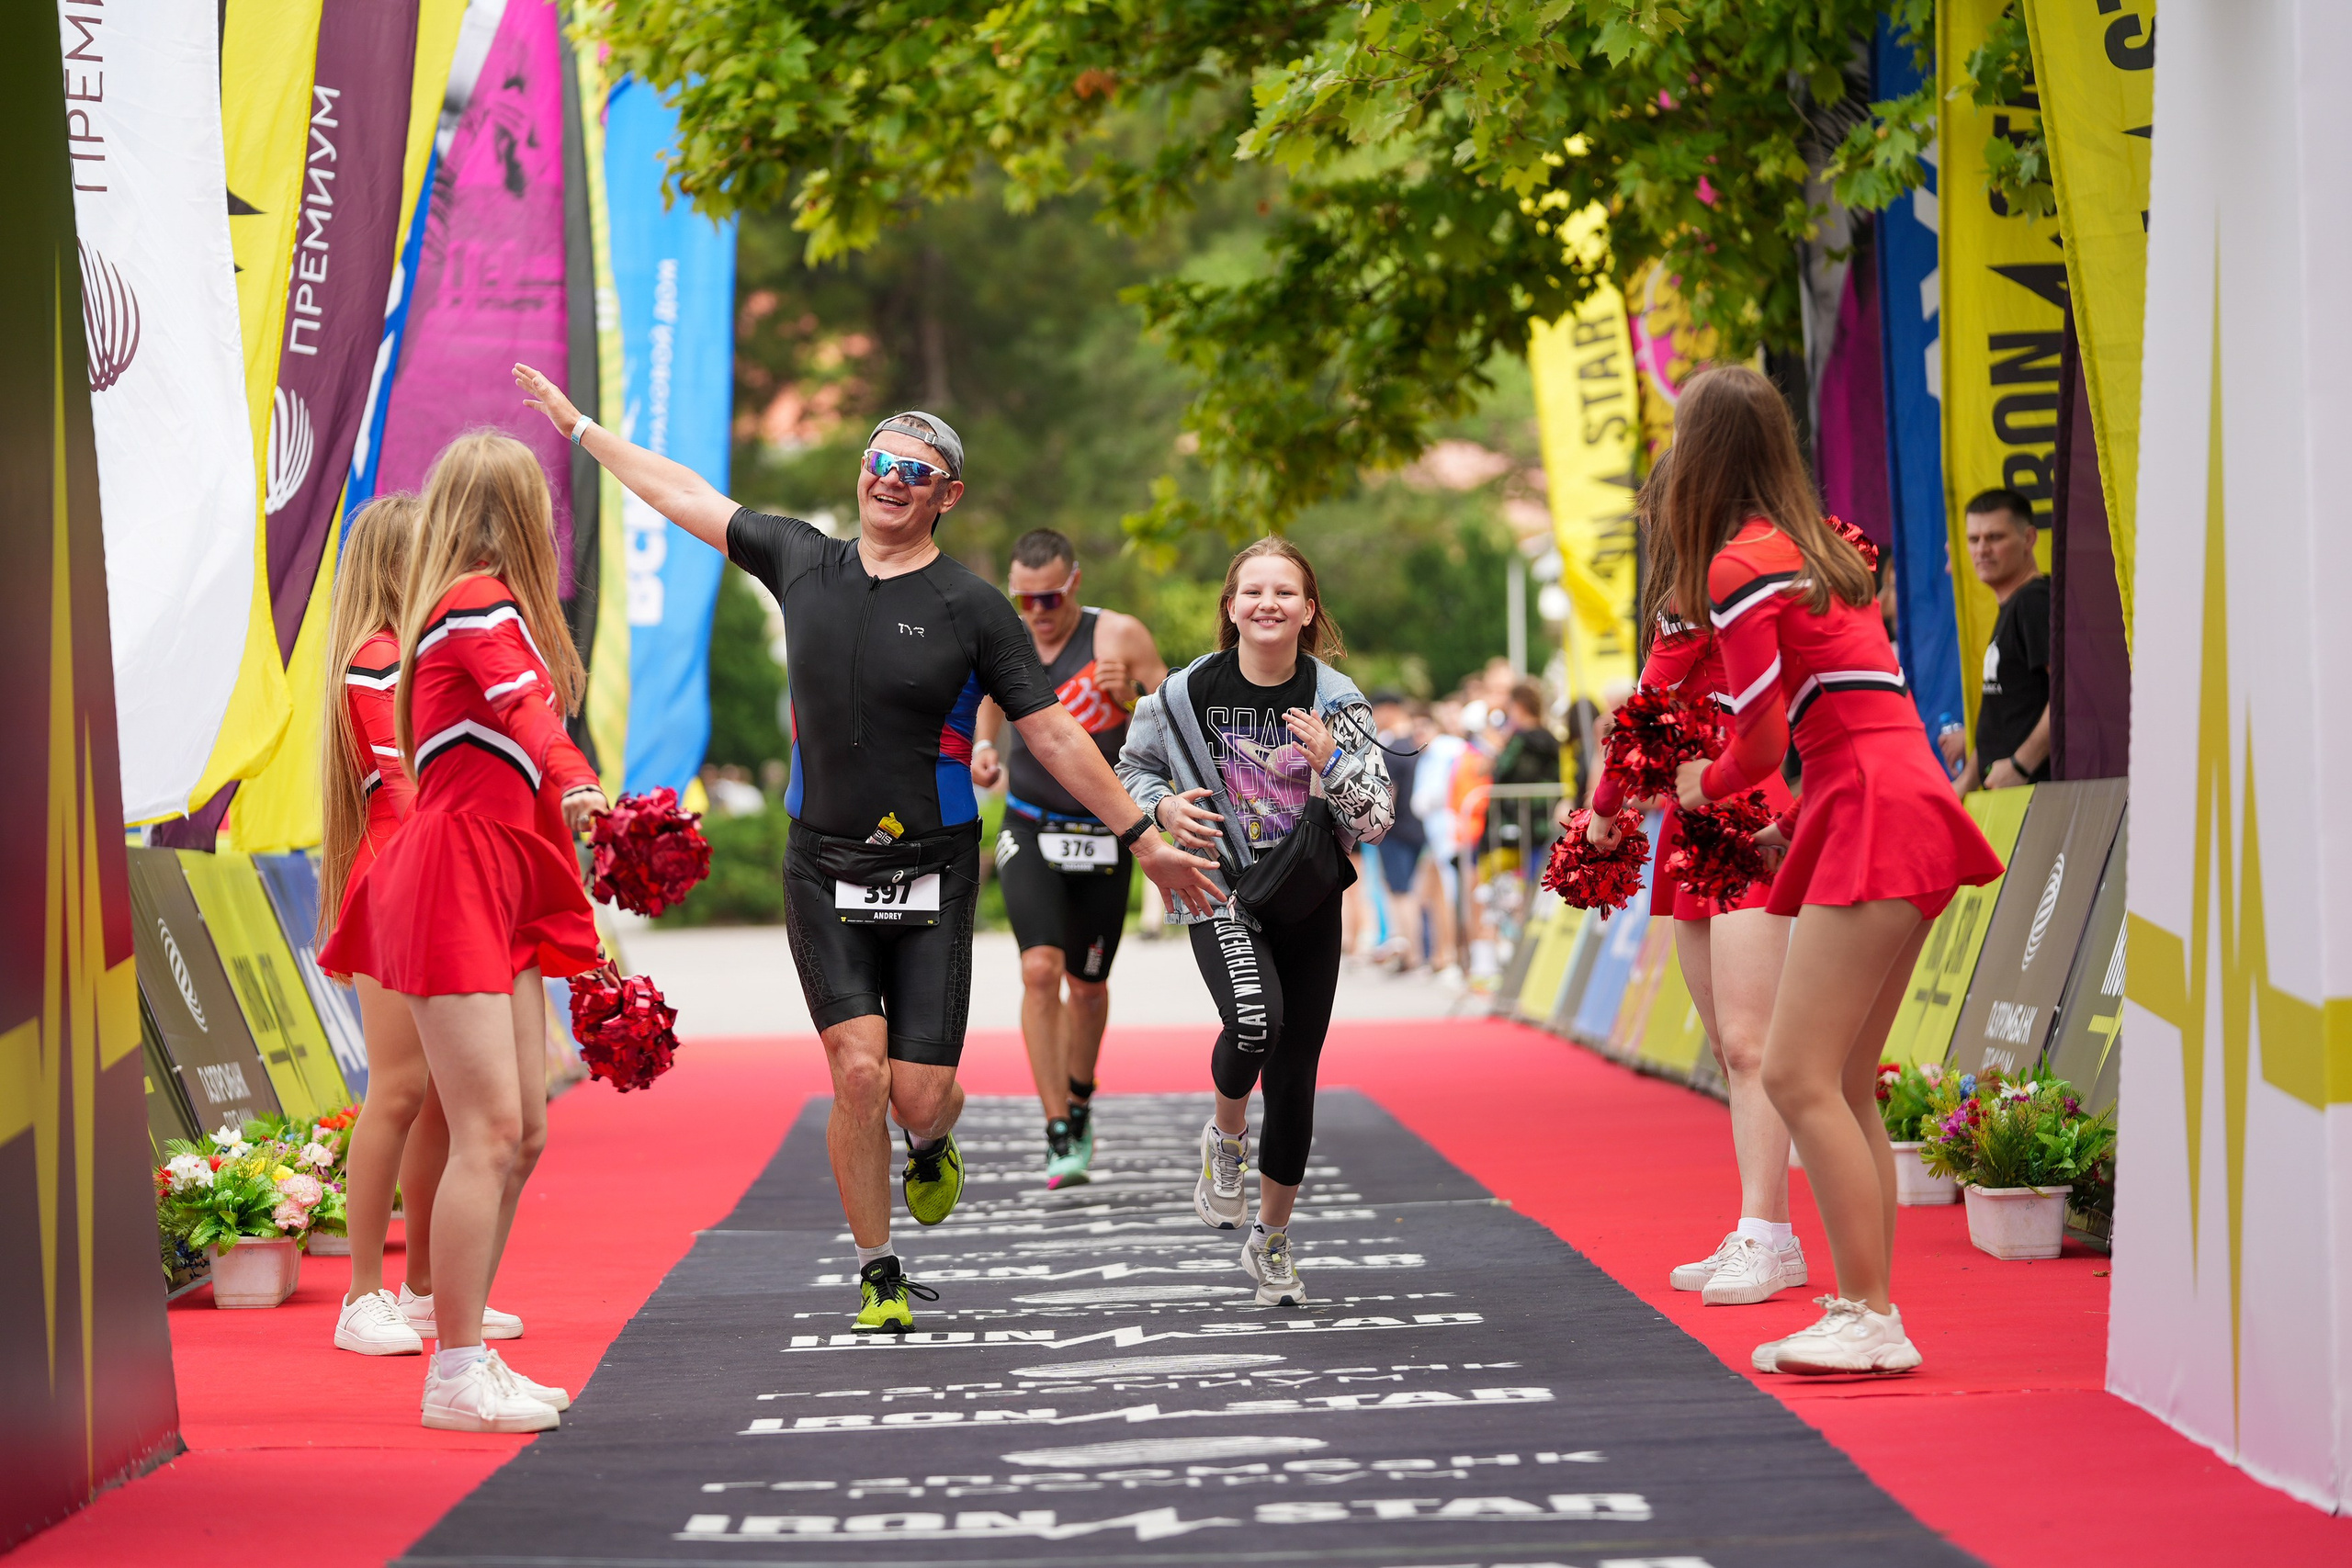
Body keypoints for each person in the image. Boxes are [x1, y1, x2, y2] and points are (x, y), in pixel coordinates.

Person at [512, 366, 1219, 1335]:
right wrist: (582, 426)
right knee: (856, 1074)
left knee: (919, 1096)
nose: (891, 480)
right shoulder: (802, 561)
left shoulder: (974, 608)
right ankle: (877, 1270)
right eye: (879, 462)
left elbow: (1052, 733)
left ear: (946, 496)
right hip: (823, 865)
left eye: (915, 471)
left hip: (935, 865)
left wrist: (1141, 838)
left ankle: (933, 1143)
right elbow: (683, 492)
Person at [1666, 367, 2003, 1376]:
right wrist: (1795, 819)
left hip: (1870, 809)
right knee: (1844, 1077)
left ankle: (1868, 1311)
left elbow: (1761, 743)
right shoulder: (1825, 553)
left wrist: (1701, 784)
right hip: (1887, 800)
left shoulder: (1738, 565)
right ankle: (1864, 1308)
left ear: (1699, 457)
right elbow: (1854, 710)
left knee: (1795, 1072)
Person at [320, 432, 610, 1432]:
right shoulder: (476, 603)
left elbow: (521, 725)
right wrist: (582, 787)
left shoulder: (492, 609)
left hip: (497, 873)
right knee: (481, 1126)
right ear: (528, 513)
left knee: (520, 1129)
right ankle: (453, 1367)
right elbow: (528, 715)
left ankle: (464, 1335)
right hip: (453, 875)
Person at [1117, 538, 1393, 1308]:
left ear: (1309, 611)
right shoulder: (1180, 695)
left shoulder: (1338, 699)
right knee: (1252, 1025)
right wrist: (1163, 807)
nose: (1267, 604)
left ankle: (1271, 1241)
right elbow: (1127, 768)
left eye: (1285, 593)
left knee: (1296, 1075)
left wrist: (1334, 761)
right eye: (1253, 592)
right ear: (1231, 606)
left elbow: (1376, 820)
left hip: (1307, 896)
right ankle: (1226, 1138)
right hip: (1219, 887)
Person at [1568, 451, 1803, 1309]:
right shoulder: (1687, 590)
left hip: (1746, 816)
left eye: (1666, 500)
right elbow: (1652, 717)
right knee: (1730, 1046)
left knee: (1755, 1044)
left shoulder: (1726, 580)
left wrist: (1600, 816)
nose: (1658, 514)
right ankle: (1763, 1229)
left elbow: (1646, 715)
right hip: (1692, 821)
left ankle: (1768, 1234)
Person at [969, 527, 1169, 1187]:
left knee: (1087, 990)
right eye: (1023, 599)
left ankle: (1080, 1100)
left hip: (1105, 830)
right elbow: (993, 698)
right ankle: (1056, 1125)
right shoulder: (1009, 633)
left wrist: (1128, 702)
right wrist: (984, 746)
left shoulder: (1119, 636)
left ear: (1074, 583)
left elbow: (1176, 720)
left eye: (1049, 598)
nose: (1037, 613)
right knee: (1038, 969)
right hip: (1029, 823)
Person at [1945, 489, 2050, 792]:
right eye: (1974, 539)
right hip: (2008, 796)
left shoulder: (2034, 602)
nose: (1982, 550)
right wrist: (1968, 779)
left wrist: (2021, 764)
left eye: (1995, 537)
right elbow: (2003, 717)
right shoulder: (2014, 605)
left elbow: (2069, 695)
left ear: (2029, 539)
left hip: (2039, 797)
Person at [1368, 692, 1426, 968]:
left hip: (1397, 830)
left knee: (1401, 892)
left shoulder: (1392, 750)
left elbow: (1388, 797)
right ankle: (1414, 951)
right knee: (1411, 890)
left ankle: (1411, 954)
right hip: (1417, 828)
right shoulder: (1415, 745)